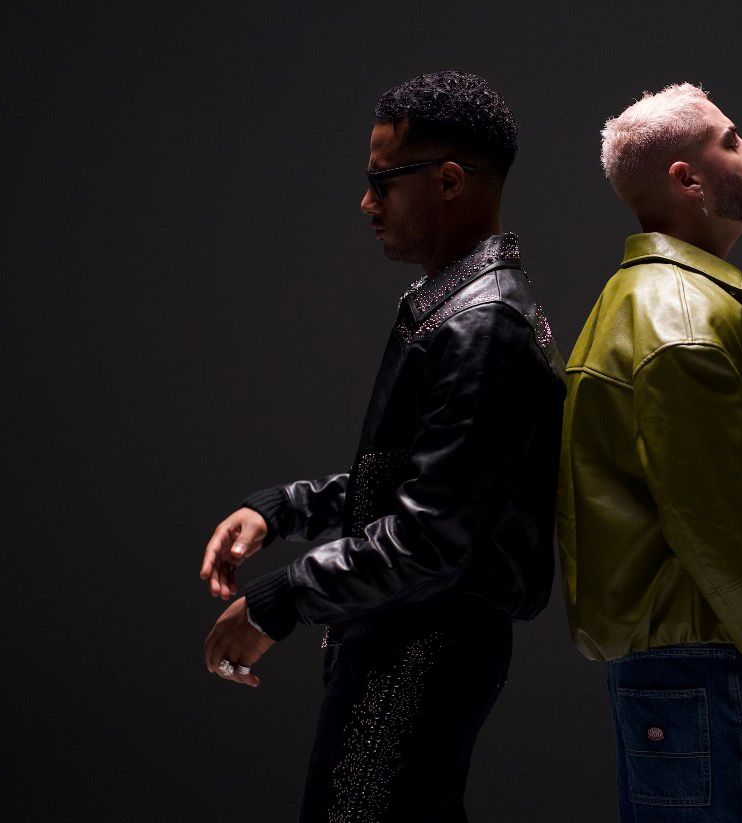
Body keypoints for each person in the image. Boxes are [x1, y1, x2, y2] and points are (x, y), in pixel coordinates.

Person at [197, 71, 565, 822]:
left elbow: (431, 537)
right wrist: (280, 509)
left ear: (450, 180)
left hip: (421, 649)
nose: (367, 204)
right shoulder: (452, 308)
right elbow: (416, 484)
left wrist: (279, 601)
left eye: (382, 182)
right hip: (405, 638)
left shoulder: (482, 324)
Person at [556, 83, 742, 822]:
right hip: (705, 674)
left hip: (685, 673)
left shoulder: (640, 301)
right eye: (729, 141)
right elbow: (729, 533)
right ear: (686, 180)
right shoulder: (683, 321)